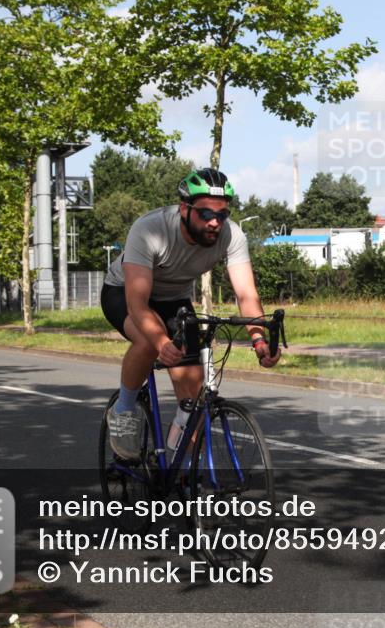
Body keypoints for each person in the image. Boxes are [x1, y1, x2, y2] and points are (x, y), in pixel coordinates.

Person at [100, 168, 280, 460]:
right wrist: (162, 343)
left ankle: (179, 467)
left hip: (175, 300)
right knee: (147, 342)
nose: (214, 222)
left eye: (222, 215)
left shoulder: (232, 235)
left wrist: (259, 340)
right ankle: (124, 408)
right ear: (185, 209)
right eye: (206, 213)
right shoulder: (150, 229)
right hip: (124, 293)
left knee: (194, 399)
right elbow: (138, 305)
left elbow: (247, 295)